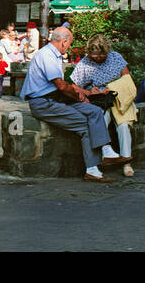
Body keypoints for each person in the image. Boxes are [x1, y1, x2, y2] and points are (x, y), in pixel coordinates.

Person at [22, 26, 124, 182]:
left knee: (94, 111)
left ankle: (107, 150)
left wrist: (83, 95)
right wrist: (79, 97)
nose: (68, 47)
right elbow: (62, 86)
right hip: (43, 103)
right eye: (69, 44)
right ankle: (92, 169)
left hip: (55, 99)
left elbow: (63, 87)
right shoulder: (47, 55)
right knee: (85, 125)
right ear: (63, 42)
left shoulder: (52, 55)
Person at [70, 34, 136, 177]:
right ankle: (103, 158)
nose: (98, 59)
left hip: (119, 98)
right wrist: (88, 92)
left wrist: (112, 87)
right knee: (100, 122)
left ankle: (126, 162)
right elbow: (74, 86)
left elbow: (127, 78)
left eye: (101, 56)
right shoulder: (85, 63)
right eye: (94, 56)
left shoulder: (116, 58)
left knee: (124, 126)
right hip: (100, 100)